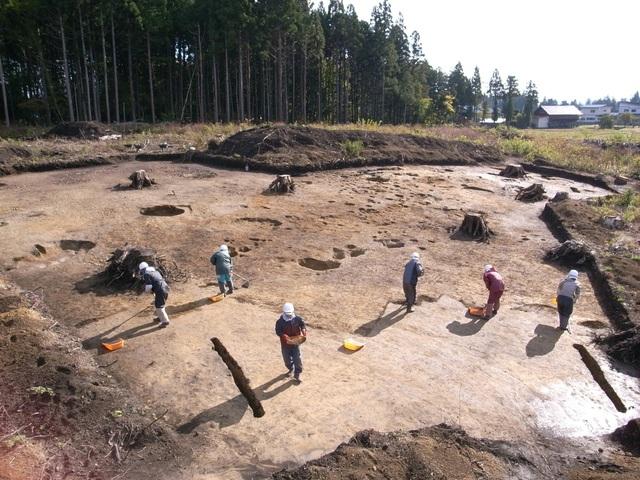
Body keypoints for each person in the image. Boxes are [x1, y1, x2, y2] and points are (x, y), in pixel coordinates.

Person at [275, 303, 307, 383]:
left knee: (297, 359)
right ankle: (290, 368)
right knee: (287, 360)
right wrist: (284, 335)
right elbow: (278, 331)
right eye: (287, 314)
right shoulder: (280, 322)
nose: (289, 315)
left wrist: (303, 331)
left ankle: (297, 374)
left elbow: (302, 325)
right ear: (284, 312)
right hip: (285, 344)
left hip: (295, 343)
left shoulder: (297, 319)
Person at [138, 262, 170, 328]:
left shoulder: (146, 274)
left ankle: (165, 321)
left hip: (160, 290)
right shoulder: (156, 272)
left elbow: (149, 286)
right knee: (159, 304)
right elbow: (157, 281)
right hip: (166, 288)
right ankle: (160, 317)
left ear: (142, 269)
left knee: (159, 306)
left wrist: (147, 291)